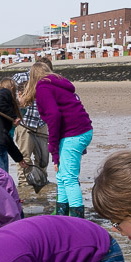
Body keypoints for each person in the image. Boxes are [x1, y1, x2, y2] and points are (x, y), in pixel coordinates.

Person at [19, 62, 93, 217]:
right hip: (80, 131)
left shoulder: (43, 87)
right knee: (61, 174)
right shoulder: (58, 84)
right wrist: (56, 157)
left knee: (69, 177)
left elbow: (54, 116)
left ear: (32, 77)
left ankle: (77, 219)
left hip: (74, 133)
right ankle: (61, 213)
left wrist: (52, 147)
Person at [12, 57, 53, 192]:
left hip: (42, 124)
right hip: (24, 124)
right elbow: (8, 95)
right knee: (24, 156)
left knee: (43, 157)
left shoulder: (50, 80)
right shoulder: (19, 78)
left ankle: (41, 180)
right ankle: (25, 184)